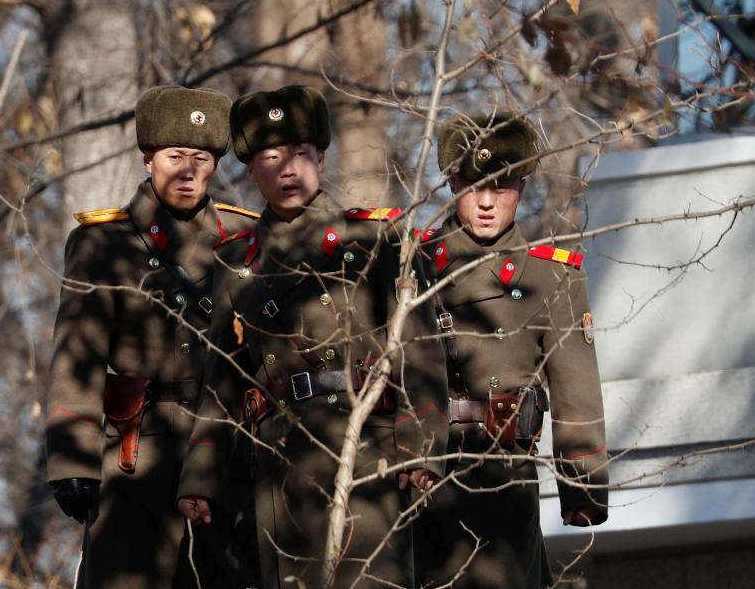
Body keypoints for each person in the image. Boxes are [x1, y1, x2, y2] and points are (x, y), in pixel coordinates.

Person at [176, 85, 449, 588]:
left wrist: (423, 447)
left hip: (369, 447)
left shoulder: (374, 238)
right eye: (272, 157)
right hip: (283, 459)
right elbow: (223, 378)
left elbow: (419, 348)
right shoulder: (237, 261)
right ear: (252, 170)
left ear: (321, 158)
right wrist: (201, 476)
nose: (288, 169)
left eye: (301, 154)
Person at [45, 86, 260, 588]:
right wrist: (72, 458)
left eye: (202, 157)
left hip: (228, 447)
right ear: (148, 160)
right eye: (175, 156)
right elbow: (78, 352)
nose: (188, 170)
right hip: (134, 455)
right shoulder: (104, 241)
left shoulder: (244, 237)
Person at [414, 112, 609, 589]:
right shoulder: (413, 266)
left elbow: (576, 391)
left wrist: (582, 485)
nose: (484, 202)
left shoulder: (552, 276)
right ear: (450, 184)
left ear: (522, 186)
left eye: (500, 187)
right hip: (418, 476)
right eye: (470, 186)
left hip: (503, 474)